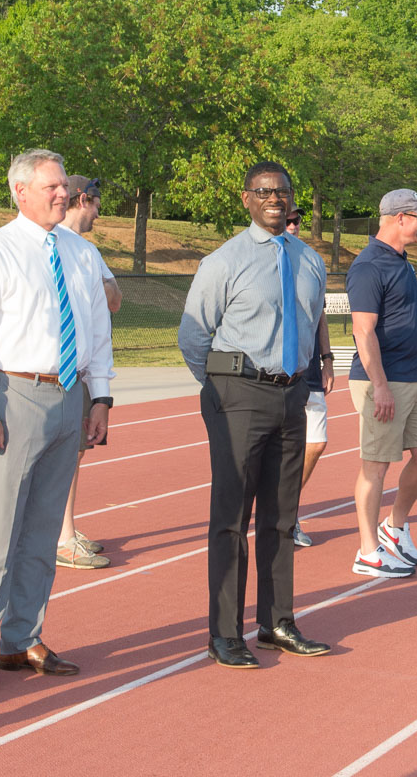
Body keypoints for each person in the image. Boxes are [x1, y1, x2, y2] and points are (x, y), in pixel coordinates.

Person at [0, 149, 114, 693]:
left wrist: (101, 398)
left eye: (64, 186)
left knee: (45, 530)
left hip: (71, 396)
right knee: (0, 530)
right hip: (15, 395)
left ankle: (22, 639)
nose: (62, 194)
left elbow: (97, 330)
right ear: (19, 191)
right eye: (51, 187)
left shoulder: (81, 253)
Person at [178, 161, 331, 668]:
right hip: (237, 394)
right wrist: (223, 388)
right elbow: (194, 335)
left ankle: (276, 622)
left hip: (291, 396)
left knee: (282, 516)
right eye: (264, 191)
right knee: (230, 519)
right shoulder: (224, 261)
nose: (274, 198)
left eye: (282, 191)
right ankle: (224, 633)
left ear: (291, 199)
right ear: (246, 198)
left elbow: (311, 326)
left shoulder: (310, 261)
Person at [346, 189, 417, 579]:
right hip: (383, 379)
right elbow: (364, 330)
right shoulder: (369, 266)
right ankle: (368, 551)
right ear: (399, 218)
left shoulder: (402, 260)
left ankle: (394, 527)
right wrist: (381, 387)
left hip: (414, 375)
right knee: (375, 467)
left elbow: (401, 315)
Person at [55, 175, 122, 570]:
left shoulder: (86, 250)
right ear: (84, 199)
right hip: (53, 373)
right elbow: (109, 293)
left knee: (75, 453)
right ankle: (60, 537)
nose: (99, 212)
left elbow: (113, 300)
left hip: (81, 370)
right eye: (97, 204)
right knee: (61, 456)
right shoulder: (55, 247)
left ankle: (65, 528)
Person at [285, 203, 333, 547]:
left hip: (311, 369)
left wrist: (328, 358)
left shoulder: (311, 261)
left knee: (316, 444)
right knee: (279, 447)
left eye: (296, 220)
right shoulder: (260, 259)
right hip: (278, 374)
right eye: (286, 220)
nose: (292, 225)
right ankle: (286, 517)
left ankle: (285, 506)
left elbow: (320, 315)